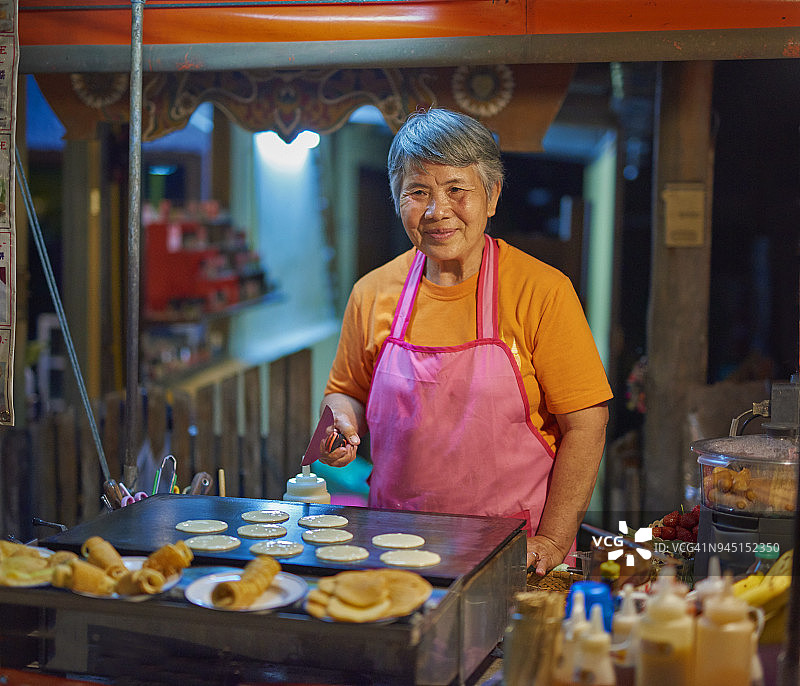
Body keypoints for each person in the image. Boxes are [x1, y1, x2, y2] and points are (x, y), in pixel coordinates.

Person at [320, 107, 612, 575]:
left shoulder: (542, 291)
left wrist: (555, 540)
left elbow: (587, 425)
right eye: (417, 192)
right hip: (395, 544)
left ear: (491, 196)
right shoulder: (371, 293)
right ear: (397, 200)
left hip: (515, 551)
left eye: (457, 190)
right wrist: (341, 424)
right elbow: (347, 391)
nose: (438, 211)